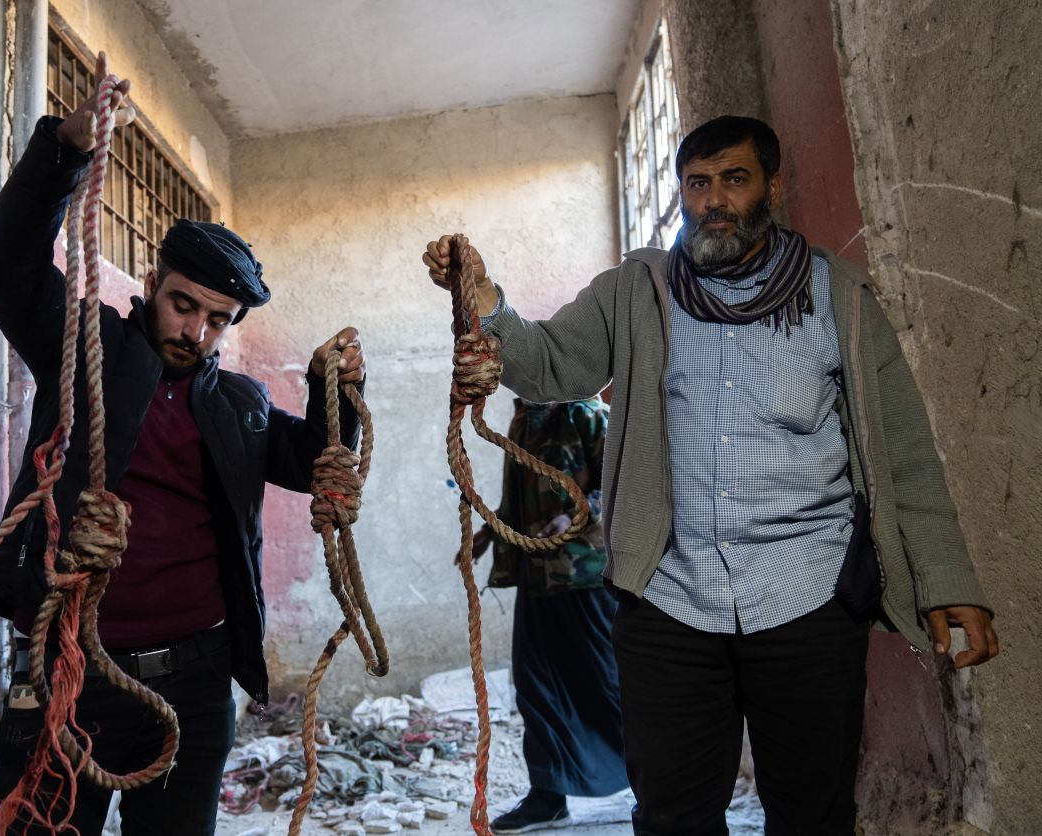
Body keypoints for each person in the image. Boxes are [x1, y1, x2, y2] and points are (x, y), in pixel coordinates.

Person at [423, 115, 998, 834]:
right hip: (671, 599)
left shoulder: (840, 300)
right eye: (698, 184)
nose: (713, 201)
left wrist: (947, 582)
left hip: (810, 599)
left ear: (773, 187)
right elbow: (548, 368)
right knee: (671, 816)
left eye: (734, 179)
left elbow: (908, 456)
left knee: (813, 815)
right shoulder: (636, 291)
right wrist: (484, 300)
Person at [0, 54, 364, 834]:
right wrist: (65, 150)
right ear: (152, 283)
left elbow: (314, 458)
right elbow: (7, 265)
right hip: (68, 672)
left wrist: (336, 389)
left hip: (193, 687)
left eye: (217, 320)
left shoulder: (240, 407)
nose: (196, 330)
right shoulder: (81, 345)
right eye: (184, 305)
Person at [465, 398, 628, 834]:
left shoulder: (588, 415)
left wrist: (574, 518)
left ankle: (657, 787)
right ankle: (548, 797)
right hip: (536, 577)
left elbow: (622, 484)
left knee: (609, 685)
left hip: (584, 576)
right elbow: (520, 496)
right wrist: (491, 530)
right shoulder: (524, 418)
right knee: (536, 687)